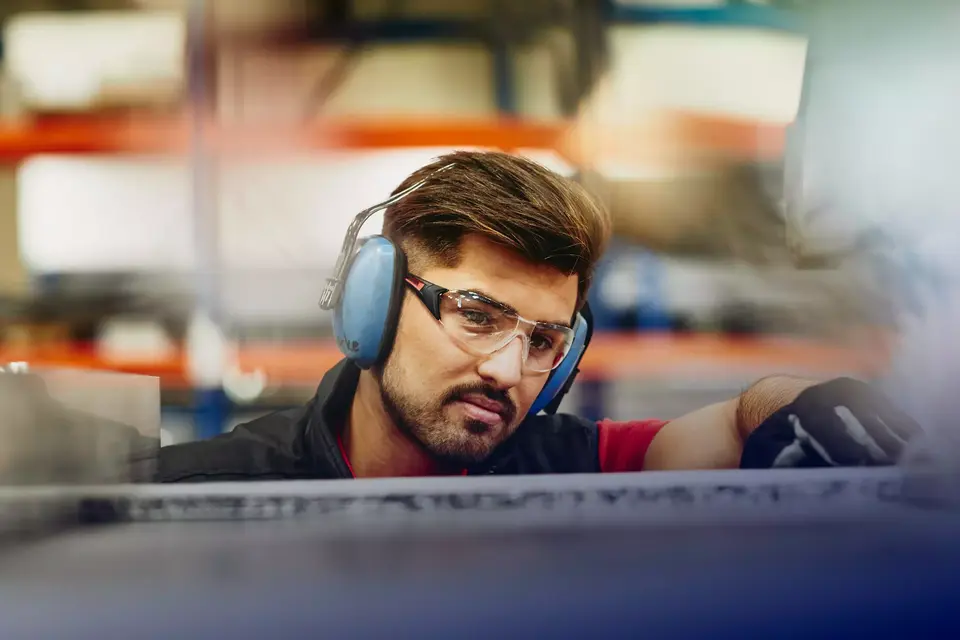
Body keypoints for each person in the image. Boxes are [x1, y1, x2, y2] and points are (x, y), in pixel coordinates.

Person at [155, 151, 922, 482]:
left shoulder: (560, 466)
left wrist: (808, 406)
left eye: (545, 340)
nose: (506, 370)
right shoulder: (207, 498)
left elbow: (738, 422)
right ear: (375, 301)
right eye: (478, 315)